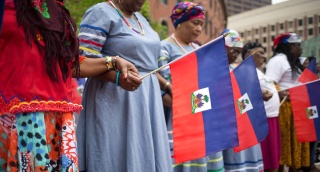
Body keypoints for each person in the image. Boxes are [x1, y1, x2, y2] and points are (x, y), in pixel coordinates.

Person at [0, 0, 141, 171]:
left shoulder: (57, 11)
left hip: (59, 121)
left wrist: (114, 62)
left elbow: (71, 65)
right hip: (16, 117)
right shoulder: (7, 6)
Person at [75, 0, 172, 171]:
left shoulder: (141, 19)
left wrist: (165, 85)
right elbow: (81, 64)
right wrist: (117, 77)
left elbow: (148, 64)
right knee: (114, 156)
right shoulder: (101, 13)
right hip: (115, 98)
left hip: (147, 99)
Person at [157, 2, 224, 172]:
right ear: (179, 22)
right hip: (179, 115)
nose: (199, 29)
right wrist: (181, 106)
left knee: (205, 158)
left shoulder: (198, 48)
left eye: (202, 24)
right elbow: (161, 82)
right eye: (195, 23)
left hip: (204, 113)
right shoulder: (165, 47)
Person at [265, 33, 310, 171]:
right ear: (289, 47)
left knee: (295, 145)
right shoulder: (278, 61)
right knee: (284, 144)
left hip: (296, 108)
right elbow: (269, 82)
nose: (300, 49)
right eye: (297, 45)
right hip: (284, 108)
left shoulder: (294, 63)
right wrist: (279, 92)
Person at [221, 29, 264, 172]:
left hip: (241, 122)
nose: (235, 56)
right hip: (224, 123)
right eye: (233, 51)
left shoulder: (236, 69)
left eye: (238, 52)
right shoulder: (213, 69)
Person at [242, 42, 281, 172]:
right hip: (263, 119)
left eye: (264, 53)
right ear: (248, 53)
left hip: (272, 117)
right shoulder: (245, 70)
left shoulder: (260, 72)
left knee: (273, 158)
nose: (263, 57)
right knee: (266, 161)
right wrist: (259, 94)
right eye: (260, 53)